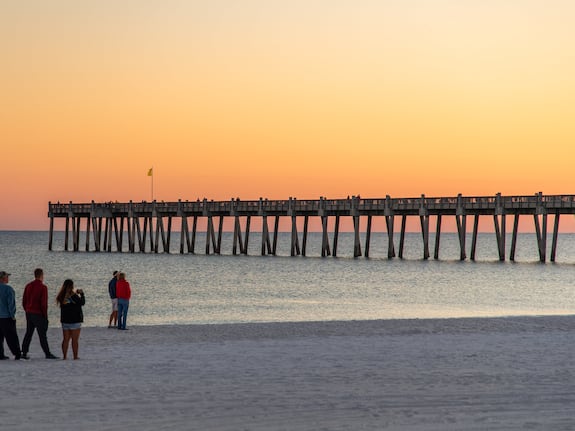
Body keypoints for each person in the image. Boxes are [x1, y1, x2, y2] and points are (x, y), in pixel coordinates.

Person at [21, 268, 58, 359]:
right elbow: (43, 304)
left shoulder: (28, 286)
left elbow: (24, 300)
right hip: (38, 313)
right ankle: (47, 353)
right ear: (41, 275)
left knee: (29, 333)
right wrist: (45, 316)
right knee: (42, 335)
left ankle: (24, 352)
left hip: (29, 312)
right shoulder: (43, 287)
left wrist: (27, 309)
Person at [56, 279, 85, 360]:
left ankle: (64, 356)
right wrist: (82, 294)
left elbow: (69, 302)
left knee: (65, 340)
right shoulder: (73, 296)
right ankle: (75, 356)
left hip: (65, 320)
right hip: (75, 320)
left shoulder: (61, 296)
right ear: (72, 286)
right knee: (75, 340)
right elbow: (82, 302)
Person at [0, 271, 21, 360]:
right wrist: (12, 315)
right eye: (7, 277)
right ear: (3, 278)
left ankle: (0, 354)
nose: (8, 278)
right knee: (12, 337)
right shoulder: (8, 289)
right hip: (6, 317)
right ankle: (17, 353)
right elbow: (11, 304)